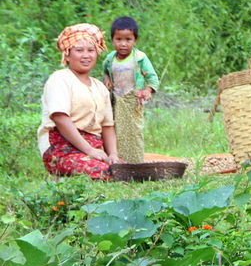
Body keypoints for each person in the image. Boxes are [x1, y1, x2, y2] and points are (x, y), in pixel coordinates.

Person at [38, 23, 121, 180]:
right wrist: (90, 150)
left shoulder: (100, 88)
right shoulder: (60, 79)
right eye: (79, 50)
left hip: (95, 149)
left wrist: (113, 155)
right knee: (106, 173)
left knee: (123, 170)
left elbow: (107, 126)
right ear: (67, 55)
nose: (86, 55)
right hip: (61, 148)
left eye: (91, 50)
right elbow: (60, 119)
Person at [102, 16, 160, 163]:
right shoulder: (110, 59)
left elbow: (152, 78)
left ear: (135, 40)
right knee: (115, 131)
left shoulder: (139, 58)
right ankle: (116, 161)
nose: (123, 44)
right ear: (112, 40)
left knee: (134, 132)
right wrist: (107, 80)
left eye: (128, 39)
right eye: (118, 39)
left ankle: (135, 163)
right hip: (116, 101)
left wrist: (148, 90)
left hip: (133, 102)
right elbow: (106, 71)